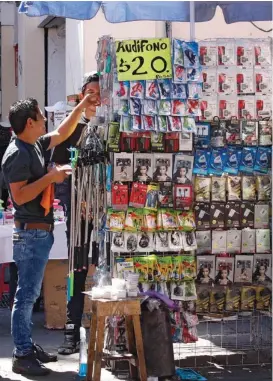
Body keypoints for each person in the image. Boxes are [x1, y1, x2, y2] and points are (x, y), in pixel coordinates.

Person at [2, 93, 97, 377]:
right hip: (30, 235)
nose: (45, 120)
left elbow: (61, 132)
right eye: (41, 117)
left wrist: (80, 108)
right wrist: (51, 178)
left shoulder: (34, 144)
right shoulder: (17, 153)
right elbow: (19, 197)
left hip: (39, 233)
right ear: (30, 122)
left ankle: (27, 346)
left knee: (28, 296)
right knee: (26, 297)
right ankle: (22, 354)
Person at [51, 72, 101, 356]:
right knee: (77, 269)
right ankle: (72, 329)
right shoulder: (71, 127)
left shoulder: (111, 125)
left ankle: (114, 329)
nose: (93, 96)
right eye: (88, 92)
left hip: (107, 211)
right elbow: (56, 168)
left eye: (98, 91)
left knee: (108, 264)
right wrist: (75, 196)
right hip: (80, 211)